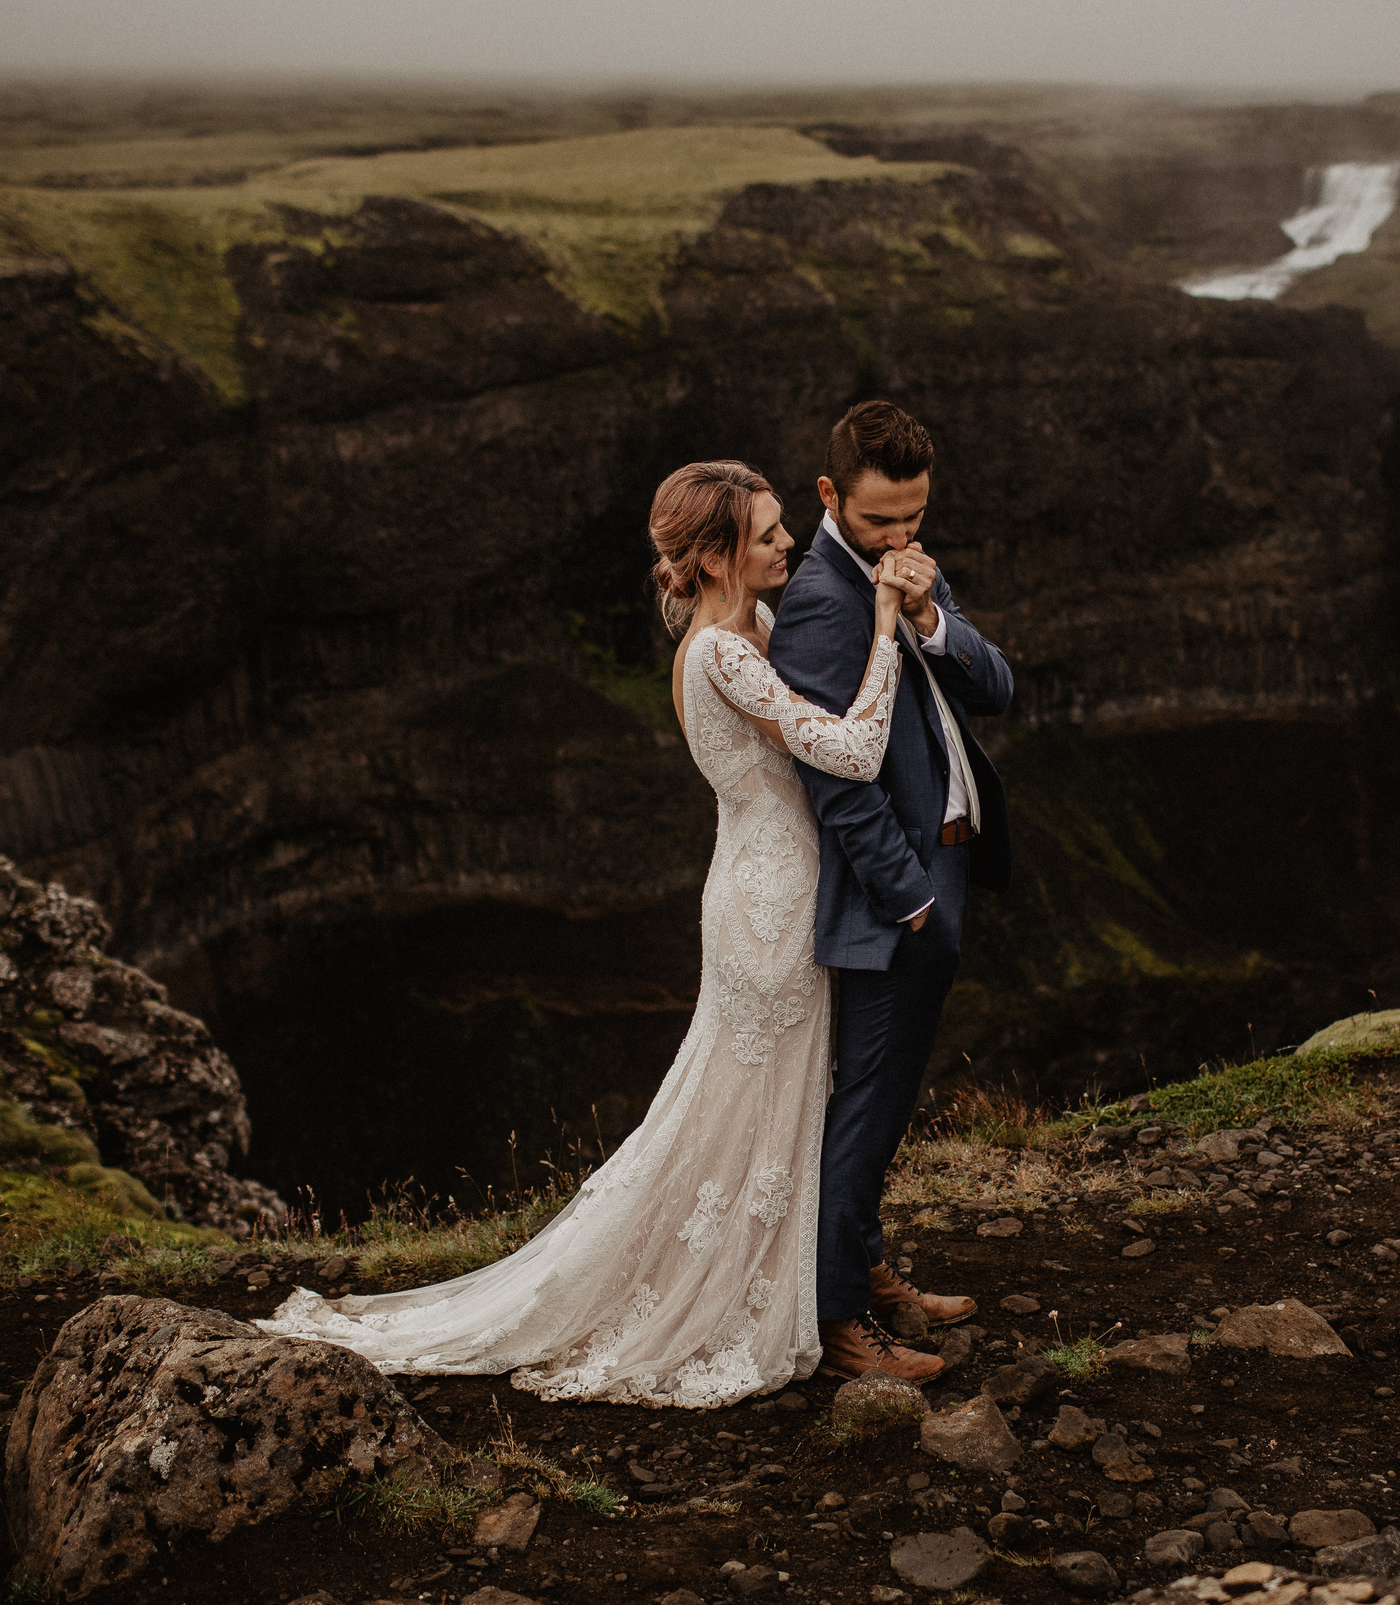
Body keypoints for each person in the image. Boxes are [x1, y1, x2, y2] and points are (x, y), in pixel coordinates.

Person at [253, 459, 915, 1407]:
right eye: (768, 533)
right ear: (721, 554)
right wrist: (887, 630)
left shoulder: (744, 630)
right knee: (752, 1106)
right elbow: (851, 749)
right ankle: (737, 1296)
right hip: (765, 905)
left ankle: (782, 1283)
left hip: (766, 883)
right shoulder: (723, 653)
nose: (788, 545)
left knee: (754, 1104)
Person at [769, 401, 1014, 1383]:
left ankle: (866, 1272)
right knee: (864, 1107)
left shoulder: (908, 569)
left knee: (890, 1097)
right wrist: (911, 900)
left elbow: (994, 687)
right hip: (893, 900)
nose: (900, 539)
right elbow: (833, 782)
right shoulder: (823, 601)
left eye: (913, 519)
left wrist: (926, 612)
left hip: (942, 868)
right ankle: (836, 1331)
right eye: (879, 523)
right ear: (830, 496)